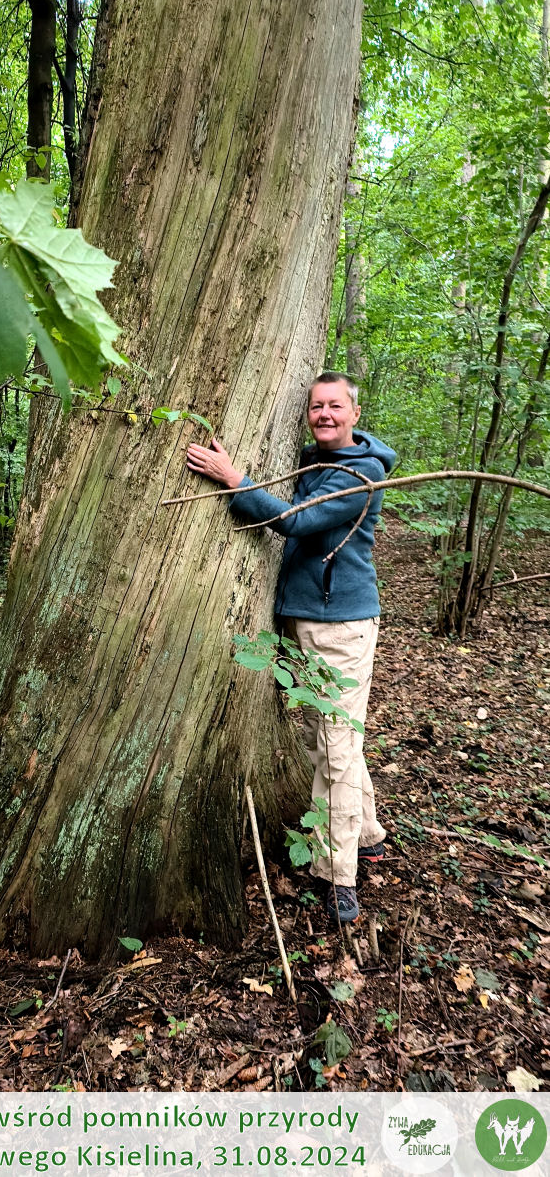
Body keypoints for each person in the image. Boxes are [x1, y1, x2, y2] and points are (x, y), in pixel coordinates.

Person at [186, 371, 396, 924]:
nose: (324, 414)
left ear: (354, 412)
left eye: (335, 406)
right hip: (302, 618)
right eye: (316, 406)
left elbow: (294, 521)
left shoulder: (361, 472)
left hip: (341, 626)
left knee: (335, 745)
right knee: (330, 739)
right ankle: (368, 832)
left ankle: (339, 874)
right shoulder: (314, 462)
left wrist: (234, 478)